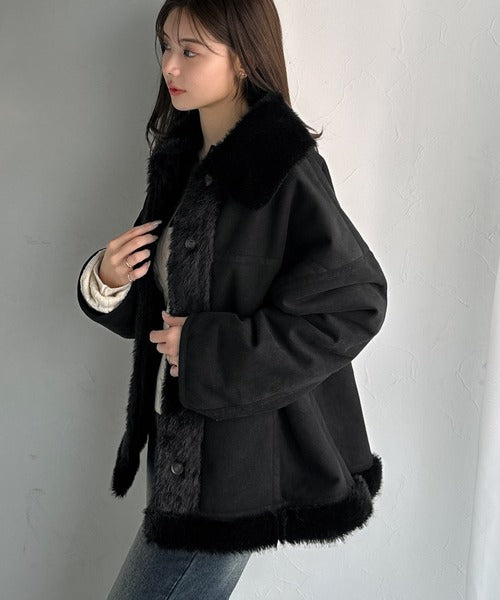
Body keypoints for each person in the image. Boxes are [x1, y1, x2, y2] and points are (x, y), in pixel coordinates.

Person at [76, 0, 388, 598]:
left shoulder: (282, 166)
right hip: (183, 455)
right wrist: (110, 280)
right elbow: (170, 306)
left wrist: (208, 349)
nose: (170, 65)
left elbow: (356, 302)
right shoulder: (182, 160)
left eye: (191, 51)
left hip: (238, 468)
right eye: (166, 45)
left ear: (242, 59)